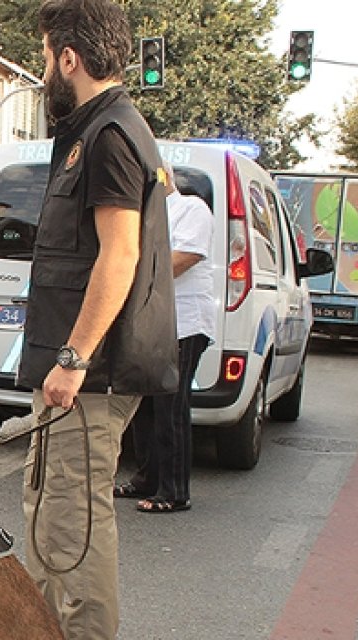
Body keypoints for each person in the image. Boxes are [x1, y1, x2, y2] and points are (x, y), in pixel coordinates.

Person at [16, 1, 178, 637]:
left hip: (93, 374)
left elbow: (121, 252)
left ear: (69, 58)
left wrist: (73, 356)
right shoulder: (97, 129)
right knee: (49, 519)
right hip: (84, 374)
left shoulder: (110, 134)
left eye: (46, 56)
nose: (44, 71)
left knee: (73, 532)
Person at [117, 164, 216, 513]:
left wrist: (129, 271)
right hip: (149, 324)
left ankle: (175, 491)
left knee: (170, 406)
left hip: (184, 323)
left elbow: (183, 259)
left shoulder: (191, 209)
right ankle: (146, 478)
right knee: (144, 405)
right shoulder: (140, 218)